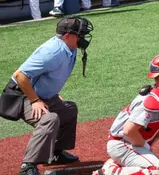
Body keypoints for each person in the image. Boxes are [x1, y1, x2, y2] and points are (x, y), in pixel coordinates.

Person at [5, 16, 93, 175]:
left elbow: (48, 76)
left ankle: (55, 154)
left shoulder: (69, 48)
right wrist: (35, 100)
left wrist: (53, 94)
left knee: (68, 110)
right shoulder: (52, 52)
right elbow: (20, 76)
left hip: (40, 94)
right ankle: (28, 166)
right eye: (80, 34)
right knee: (49, 119)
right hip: (21, 95)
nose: (83, 37)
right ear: (67, 36)